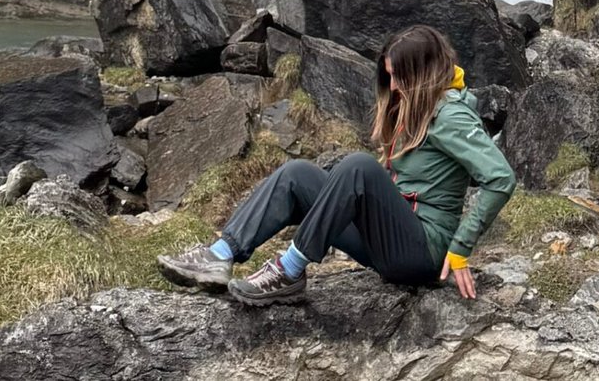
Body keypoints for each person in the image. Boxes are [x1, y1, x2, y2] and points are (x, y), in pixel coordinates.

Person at [157, 23, 517, 307]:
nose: (392, 87)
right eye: (389, 76)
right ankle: (219, 255)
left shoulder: (451, 115)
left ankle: (289, 271)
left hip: (421, 253)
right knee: (298, 174)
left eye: (399, 77)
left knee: (358, 167)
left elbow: (500, 178)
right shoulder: (420, 105)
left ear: (424, 75)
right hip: (390, 241)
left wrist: (459, 249)